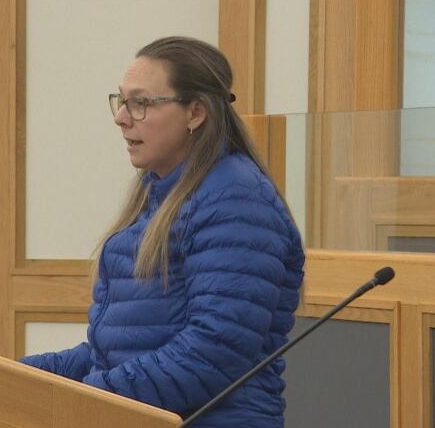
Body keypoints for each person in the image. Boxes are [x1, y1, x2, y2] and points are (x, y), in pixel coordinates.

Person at [20, 36, 305, 427]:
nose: (122, 117)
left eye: (141, 103)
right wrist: (11, 375)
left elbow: (211, 353)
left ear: (195, 112)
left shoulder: (235, 198)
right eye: (121, 101)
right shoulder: (158, 192)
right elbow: (116, 351)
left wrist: (86, 398)